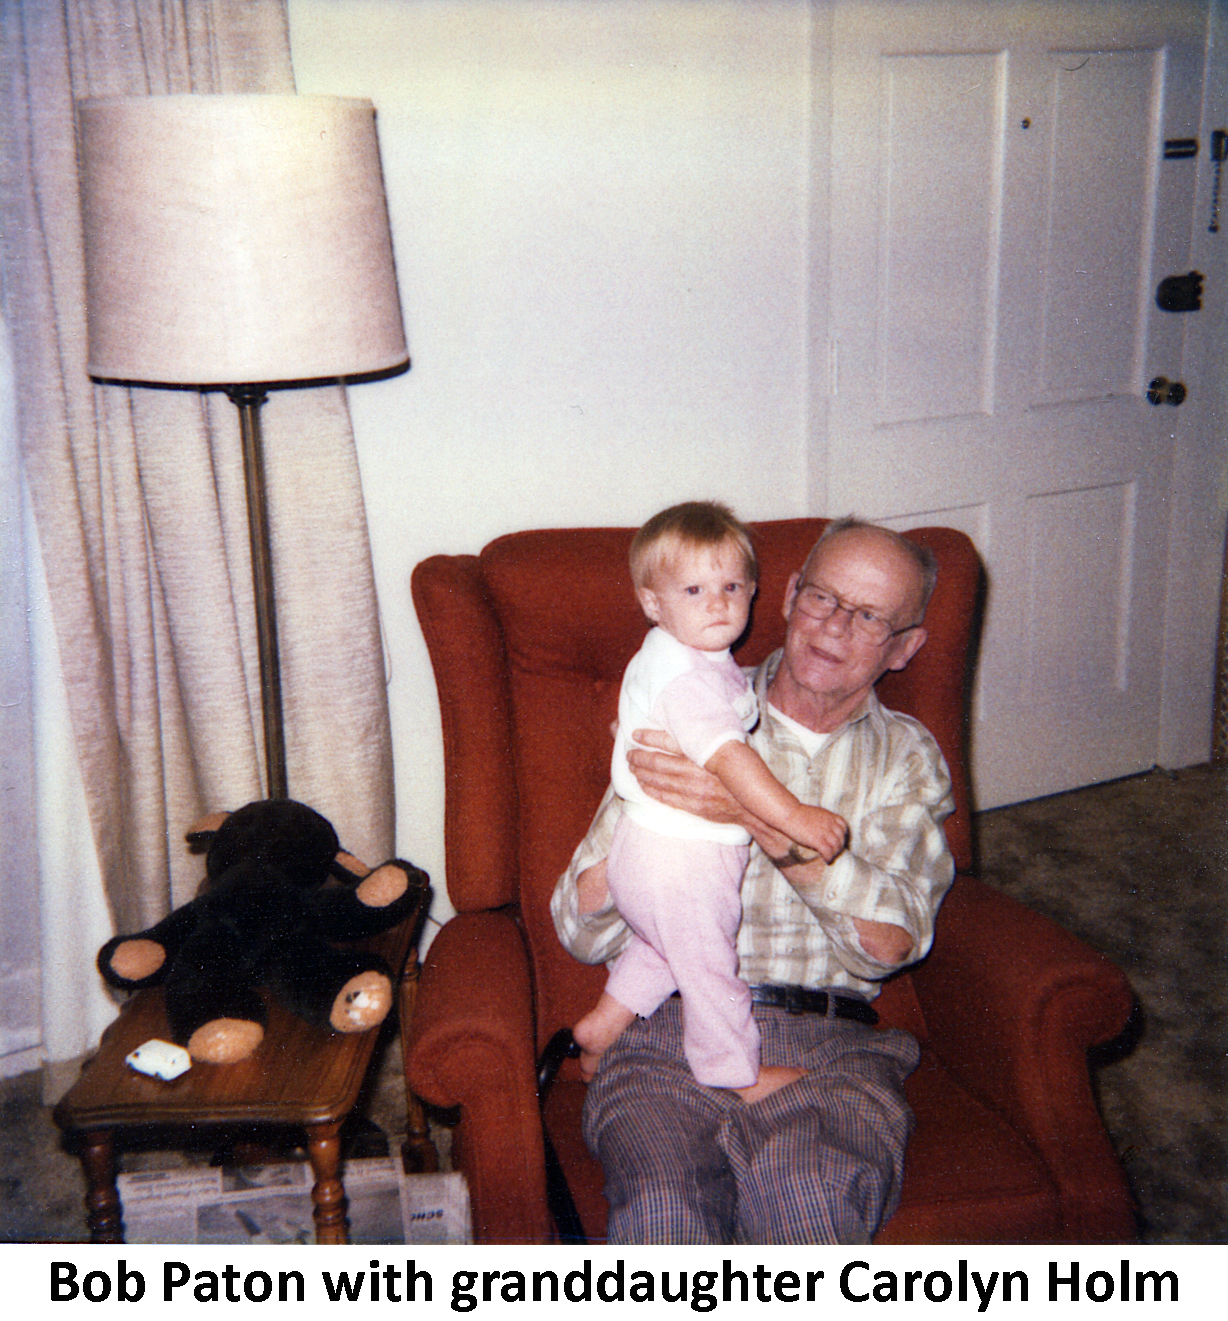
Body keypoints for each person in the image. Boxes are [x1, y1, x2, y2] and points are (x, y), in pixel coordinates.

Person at [550, 517, 956, 1243]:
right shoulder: (690, 696)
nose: (834, 626)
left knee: (808, 1200)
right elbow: (579, 928)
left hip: (830, 1049)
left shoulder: (905, 757)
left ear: (904, 647)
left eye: (869, 618)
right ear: (791, 594)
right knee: (661, 1213)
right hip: (665, 1030)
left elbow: (887, 944)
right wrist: (646, 818)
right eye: (824, 597)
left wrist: (755, 816)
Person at [572, 503, 848, 1097]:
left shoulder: (684, 658)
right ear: (653, 602)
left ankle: (601, 1027)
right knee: (710, 971)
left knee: (662, 946)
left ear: (754, 593)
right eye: (694, 589)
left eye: (731, 587)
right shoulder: (688, 678)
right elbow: (729, 758)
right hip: (684, 859)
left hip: (645, 856)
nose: (717, 603)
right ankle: (733, 1074)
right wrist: (792, 816)